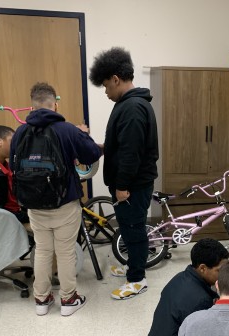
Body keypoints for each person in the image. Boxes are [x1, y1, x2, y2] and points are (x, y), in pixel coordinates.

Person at [9, 82, 102, 317]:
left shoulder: (20, 132)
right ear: (55, 104)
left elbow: (13, 166)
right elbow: (91, 153)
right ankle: (69, 300)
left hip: (34, 205)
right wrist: (82, 134)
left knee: (42, 250)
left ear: (31, 106)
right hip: (64, 203)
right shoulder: (67, 130)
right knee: (66, 251)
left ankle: (42, 300)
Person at [89, 47, 159, 300]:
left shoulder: (132, 108)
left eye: (107, 86)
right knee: (130, 229)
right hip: (132, 183)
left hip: (132, 185)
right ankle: (133, 268)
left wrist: (121, 186)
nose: (106, 93)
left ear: (116, 79)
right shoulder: (129, 104)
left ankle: (137, 280)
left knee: (133, 229)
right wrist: (103, 148)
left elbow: (131, 153)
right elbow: (124, 144)